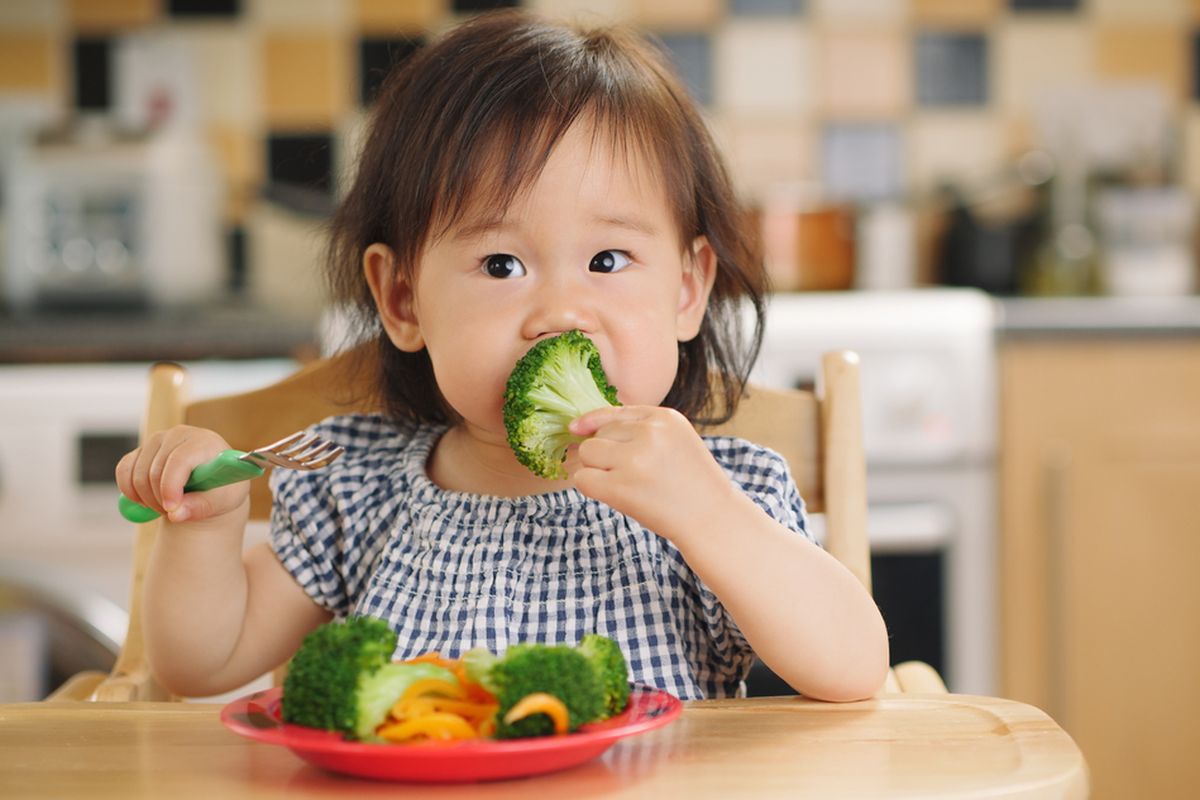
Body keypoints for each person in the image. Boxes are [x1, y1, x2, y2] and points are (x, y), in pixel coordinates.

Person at [115, 10, 888, 703]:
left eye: (609, 260)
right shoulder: (359, 487)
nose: (558, 314)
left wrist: (710, 517)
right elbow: (201, 665)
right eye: (501, 266)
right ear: (404, 300)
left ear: (687, 292)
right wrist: (205, 530)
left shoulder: (725, 491)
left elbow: (854, 669)